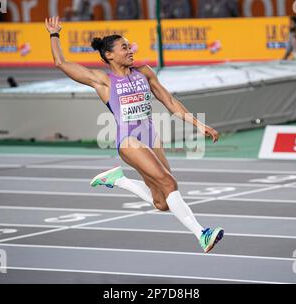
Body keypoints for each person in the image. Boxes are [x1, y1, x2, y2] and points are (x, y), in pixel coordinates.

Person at [45, 16, 224, 253]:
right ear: (109, 55)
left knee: (161, 202)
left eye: (130, 46)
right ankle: (202, 234)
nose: (131, 50)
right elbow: (61, 63)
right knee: (169, 182)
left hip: (151, 137)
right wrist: (54, 35)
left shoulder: (145, 73)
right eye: (124, 47)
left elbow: (170, 101)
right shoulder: (103, 81)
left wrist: (198, 124)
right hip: (129, 140)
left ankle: (118, 179)